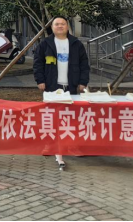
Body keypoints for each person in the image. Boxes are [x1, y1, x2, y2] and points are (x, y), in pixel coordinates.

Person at [33, 15, 90, 170]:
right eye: (56, 24)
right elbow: (38, 63)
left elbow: (84, 64)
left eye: (62, 24)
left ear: (67, 26)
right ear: (52, 27)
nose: (59, 26)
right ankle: (49, 145)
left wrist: (83, 82)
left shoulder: (76, 44)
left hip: (71, 86)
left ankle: (72, 146)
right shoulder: (45, 44)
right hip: (52, 86)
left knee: (71, 118)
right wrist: (40, 80)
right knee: (51, 118)